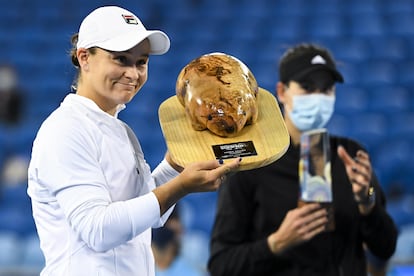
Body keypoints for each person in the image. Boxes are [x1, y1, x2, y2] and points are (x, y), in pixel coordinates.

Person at [27, 6, 241, 276]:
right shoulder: (66, 129)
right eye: (121, 59)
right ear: (85, 58)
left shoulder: (121, 131)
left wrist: (175, 164)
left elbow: (146, 214)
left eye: (141, 62)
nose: (133, 73)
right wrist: (181, 186)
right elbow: (99, 230)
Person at [208, 43, 398, 276]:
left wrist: (367, 203)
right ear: (282, 91)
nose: (318, 98)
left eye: (326, 89)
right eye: (307, 88)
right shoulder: (251, 163)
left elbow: (386, 247)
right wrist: (275, 244)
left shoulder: (350, 155)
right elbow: (221, 265)